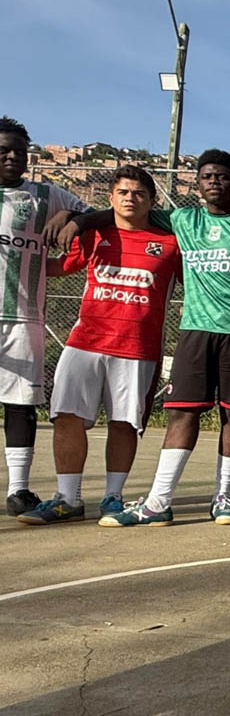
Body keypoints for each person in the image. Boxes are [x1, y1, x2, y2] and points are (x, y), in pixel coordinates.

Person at [80, 149, 230, 527]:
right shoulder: (182, 219)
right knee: (182, 413)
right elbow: (127, 213)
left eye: (221, 176)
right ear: (198, 183)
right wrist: (80, 222)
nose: (214, 182)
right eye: (206, 177)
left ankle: (223, 497)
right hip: (196, 331)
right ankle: (159, 501)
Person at [17, 166, 178, 524]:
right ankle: (67, 498)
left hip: (137, 348)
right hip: (85, 342)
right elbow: (58, 268)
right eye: (123, 192)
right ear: (111, 198)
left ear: (152, 201)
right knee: (66, 416)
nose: (130, 199)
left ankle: (112, 498)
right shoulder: (94, 234)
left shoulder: (170, 242)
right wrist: (21, 250)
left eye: (138, 193)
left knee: (124, 423)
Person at [0, 117, 87, 517]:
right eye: (5, 149)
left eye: (20, 150)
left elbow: (99, 215)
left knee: (21, 403)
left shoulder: (44, 194)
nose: (14, 156)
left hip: (22, 316)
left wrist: (70, 218)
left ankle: (19, 489)